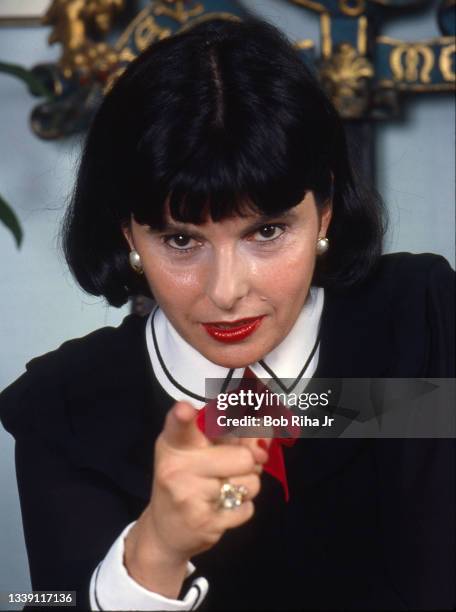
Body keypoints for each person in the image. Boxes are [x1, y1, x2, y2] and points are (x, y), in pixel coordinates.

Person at [0, 16, 454, 612]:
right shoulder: (63, 406)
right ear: (128, 234)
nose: (226, 291)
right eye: (181, 241)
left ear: (323, 213)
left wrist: (321, 408)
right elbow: (53, 602)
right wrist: (156, 550)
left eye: (267, 231)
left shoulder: (420, 317)